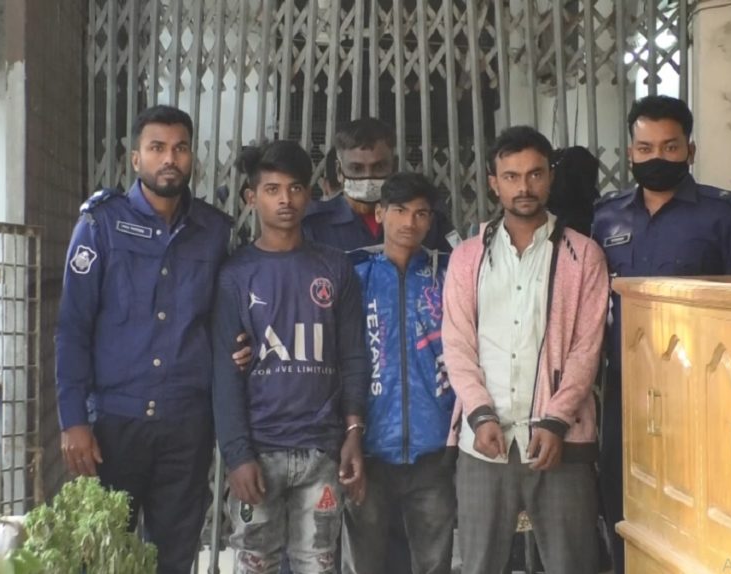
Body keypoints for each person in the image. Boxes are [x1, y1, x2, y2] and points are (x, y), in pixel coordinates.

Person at [592, 95, 731, 574]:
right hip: (628, 390)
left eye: (669, 147)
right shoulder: (606, 217)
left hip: (704, 393)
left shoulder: (725, 213)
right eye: (645, 148)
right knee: (623, 502)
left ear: (690, 150)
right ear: (630, 153)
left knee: (703, 505)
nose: (657, 158)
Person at [55, 104, 232, 573]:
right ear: (136, 158)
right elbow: (73, 327)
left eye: (180, 148)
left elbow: (223, 321)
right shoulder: (100, 225)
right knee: (101, 556)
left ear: (192, 157)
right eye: (157, 148)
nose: (169, 158)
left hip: (187, 426)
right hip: (114, 425)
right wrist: (73, 420)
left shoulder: (214, 232)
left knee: (174, 557)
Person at [442, 126, 609, 574]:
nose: (524, 187)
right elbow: (457, 343)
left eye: (535, 174)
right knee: (479, 564)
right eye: (511, 176)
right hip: (485, 441)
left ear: (550, 177)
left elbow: (587, 348)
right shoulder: (468, 257)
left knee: (573, 564)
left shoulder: (583, 256)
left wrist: (556, 419)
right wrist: (479, 413)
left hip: (560, 439)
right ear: (493, 183)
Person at [211, 140, 369, 573]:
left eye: (295, 188)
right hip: (259, 449)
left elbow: (354, 356)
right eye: (272, 189)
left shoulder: (335, 268)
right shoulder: (235, 275)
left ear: (309, 195)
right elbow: (224, 375)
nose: (285, 199)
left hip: (322, 450)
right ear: (251, 197)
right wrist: (237, 455)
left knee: (318, 564)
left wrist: (353, 432)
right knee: (256, 564)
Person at [341, 173, 456, 574]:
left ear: (430, 220)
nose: (410, 222)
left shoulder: (446, 274)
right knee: (364, 563)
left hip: (434, 449)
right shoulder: (354, 274)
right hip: (369, 447)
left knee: (435, 563)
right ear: (380, 214)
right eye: (400, 210)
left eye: (421, 213)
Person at [303, 118, 457, 253]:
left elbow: (458, 265)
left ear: (394, 167)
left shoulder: (429, 219)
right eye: (356, 168)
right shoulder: (314, 225)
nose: (368, 177)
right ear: (339, 171)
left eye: (379, 167)